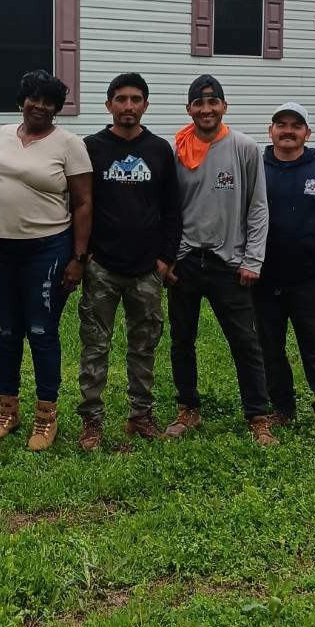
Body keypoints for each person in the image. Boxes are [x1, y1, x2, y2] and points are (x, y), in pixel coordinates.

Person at [0, 69, 92, 451]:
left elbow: (83, 204)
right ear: (21, 101)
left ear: (57, 108)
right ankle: (7, 411)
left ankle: (46, 418)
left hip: (46, 250)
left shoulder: (69, 144)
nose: (40, 106)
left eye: (49, 101)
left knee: (42, 332)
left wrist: (79, 258)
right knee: (6, 332)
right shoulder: (1, 134)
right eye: (34, 98)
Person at [164, 74, 276, 446]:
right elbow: (168, 210)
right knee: (182, 339)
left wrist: (252, 260)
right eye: (199, 102)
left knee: (245, 341)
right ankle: (188, 408)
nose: (206, 109)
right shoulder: (178, 149)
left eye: (213, 102)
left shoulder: (243, 147)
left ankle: (258, 415)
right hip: (186, 261)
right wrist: (169, 258)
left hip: (229, 261)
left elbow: (258, 208)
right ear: (189, 109)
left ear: (224, 107)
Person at [76, 73, 181, 450]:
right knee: (94, 346)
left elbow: (172, 209)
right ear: (108, 105)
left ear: (146, 105)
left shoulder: (158, 150)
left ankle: (141, 415)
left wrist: (165, 259)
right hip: (102, 266)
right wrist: (83, 254)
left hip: (146, 271)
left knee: (144, 345)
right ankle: (92, 420)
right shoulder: (90, 148)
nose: (128, 106)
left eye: (136, 99)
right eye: (121, 99)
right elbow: (78, 204)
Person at [254, 102, 315, 435]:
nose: (287, 130)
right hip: (263, 278)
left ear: (306, 133)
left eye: (295, 125)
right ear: (271, 131)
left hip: (308, 279)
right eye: (280, 124)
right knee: (270, 348)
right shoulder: (255, 169)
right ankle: (281, 408)